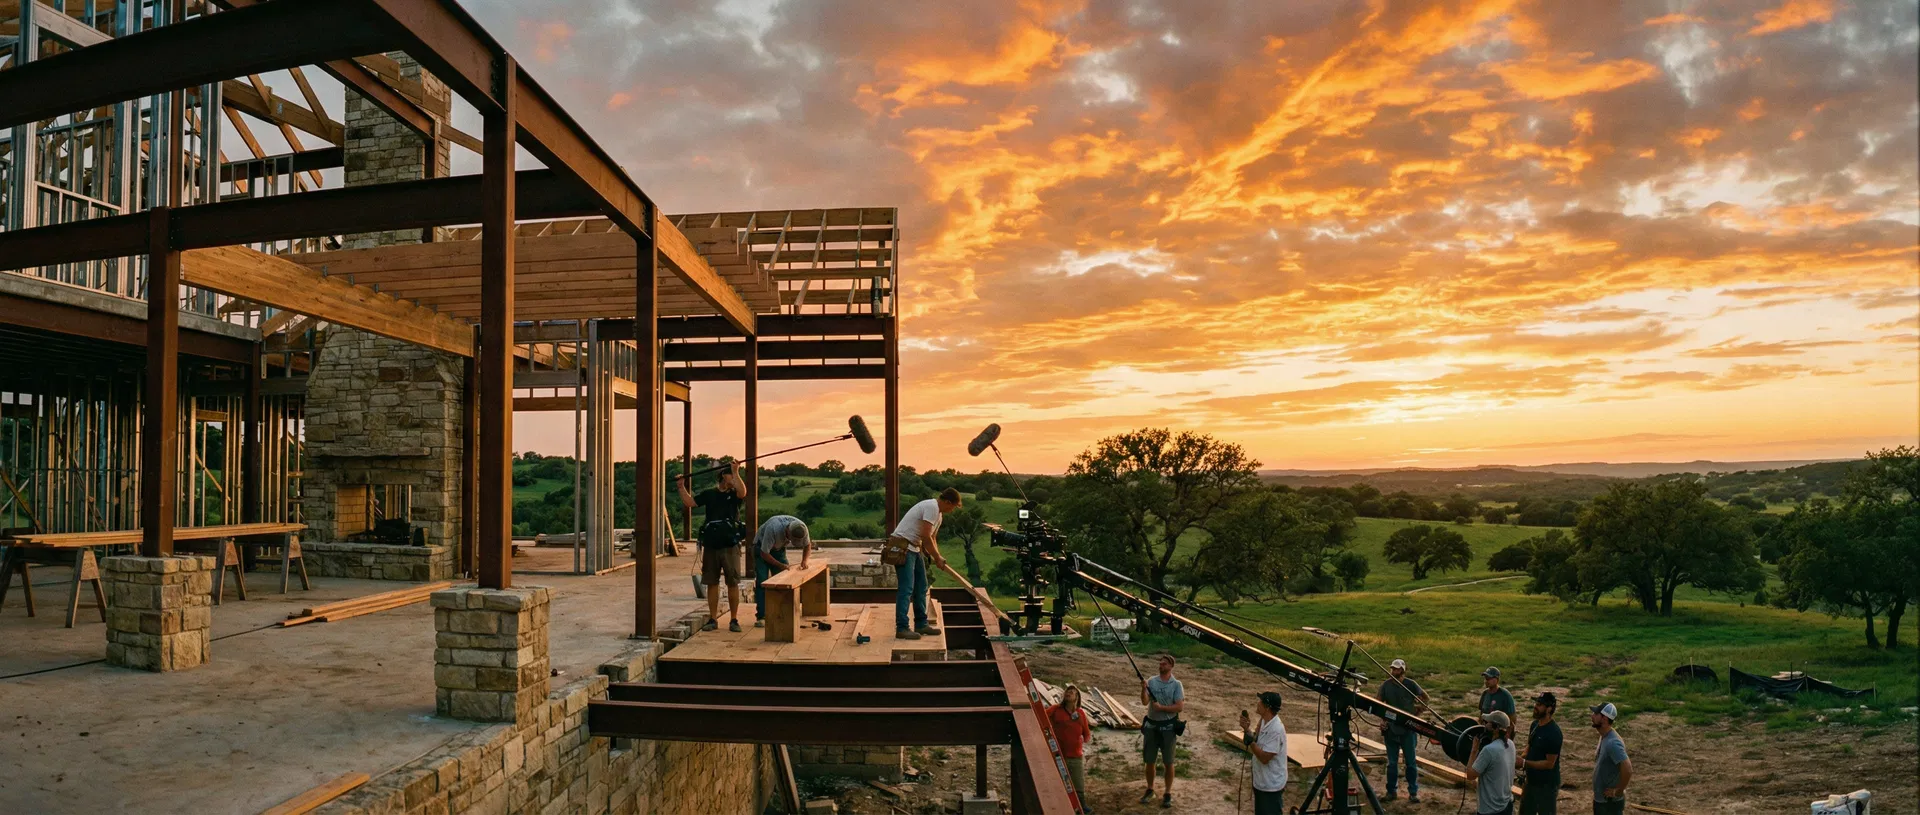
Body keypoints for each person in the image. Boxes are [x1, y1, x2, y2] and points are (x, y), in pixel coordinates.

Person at [678, 462, 747, 632]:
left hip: (730, 545)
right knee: (712, 583)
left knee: (733, 582)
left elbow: (743, 491)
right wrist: (681, 487)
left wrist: (736, 471)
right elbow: (690, 502)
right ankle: (713, 619)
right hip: (711, 545)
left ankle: (734, 619)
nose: (734, 478)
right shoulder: (710, 494)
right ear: (724, 476)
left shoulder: (734, 495)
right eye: (731, 474)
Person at [886, 488, 959, 640]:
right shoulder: (931, 507)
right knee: (906, 589)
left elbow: (932, 538)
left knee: (921, 586)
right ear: (947, 502)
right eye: (953, 506)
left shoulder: (939, 515)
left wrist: (937, 556)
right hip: (902, 547)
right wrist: (937, 557)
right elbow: (926, 536)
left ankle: (921, 624)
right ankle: (902, 628)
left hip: (914, 547)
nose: (952, 510)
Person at [1378, 657, 1429, 803]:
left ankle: (1413, 792)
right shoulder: (1385, 686)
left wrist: (1417, 712)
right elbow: (1377, 704)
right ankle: (1391, 791)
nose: (1394, 671)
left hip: (1408, 729)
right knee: (1392, 763)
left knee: (1411, 763)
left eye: (1397, 669)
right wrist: (1383, 720)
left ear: (1403, 670)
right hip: (1391, 730)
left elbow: (1426, 698)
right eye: (1392, 668)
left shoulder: (1410, 684)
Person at [1139, 654, 1184, 809]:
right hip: (1151, 727)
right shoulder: (1152, 682)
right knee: (1149, 760)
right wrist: (1143, 689)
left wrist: (1162, 708)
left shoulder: (1176, 685)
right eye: (1160, 663)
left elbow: (1179, 706)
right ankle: (1150, 788)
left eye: (1164, 664)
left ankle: (1167, 792)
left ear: (1171, 666)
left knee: (1168, 762)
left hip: (1168, 728)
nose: (1161, 665)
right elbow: (1145, 702)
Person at [751, 514, 811, 628]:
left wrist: (805, 561)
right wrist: (780, 565)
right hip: (761, 549)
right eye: (792, 539)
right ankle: (762, 617)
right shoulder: (773, 528)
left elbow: (808, 545)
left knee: (785, 581)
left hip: (778, 548)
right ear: (787, 530)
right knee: (762, 582)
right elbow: (764, 553)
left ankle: (783, 613)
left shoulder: (802, 528)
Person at [1238, 690, 1288, 815]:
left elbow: (1265, 758)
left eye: (1260, 701)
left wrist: (1251, 742)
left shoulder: (1276, 730)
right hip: (1262, 782)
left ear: (1267, 707)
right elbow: (1256, 739)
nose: (1258, 703)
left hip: (1271, 786)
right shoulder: (1264, 721)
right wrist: (1247, 730)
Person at [1048, 685, 1095, 814]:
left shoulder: (1080, 714)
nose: (1069, 693)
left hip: (1075, 755)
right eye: (1068, 691)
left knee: (1078, 782)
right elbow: (1041, 719)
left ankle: (1081, 805)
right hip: (1058, 755)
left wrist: (1082, 741)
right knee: (1058, 783)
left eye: (1073, 692)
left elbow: (1086, 733)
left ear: (1077, 697)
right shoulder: (1055, 710)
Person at [1518, 692, 1563, 815]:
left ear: (1549, 709)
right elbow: (1529, 746)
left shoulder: (1554, 733)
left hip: (1546, 786)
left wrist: (1524, 763)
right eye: (1536, 703)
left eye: (1539, 704)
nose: (1535, 706)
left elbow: (1549, 763)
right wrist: (1521, 757)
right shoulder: (1535, 725)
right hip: (1531, 782)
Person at [1465, 709, 1516, 815]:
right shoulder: (1510, 744)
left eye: (1487, 723)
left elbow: (1470, 775)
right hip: (1506, 805)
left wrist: (1474, 751)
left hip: (1490, 809)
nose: (1485, 725)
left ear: (1496, 728)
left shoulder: (1489, 750)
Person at [1589, 703, 1631, 815]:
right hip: (1602, 801)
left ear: (1604, 718)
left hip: (1609, 804)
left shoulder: (1613, 743)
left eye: (1595, 714)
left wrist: (1618, 791)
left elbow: (1628, 769)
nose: (1591, 716)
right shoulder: (1604, 736)